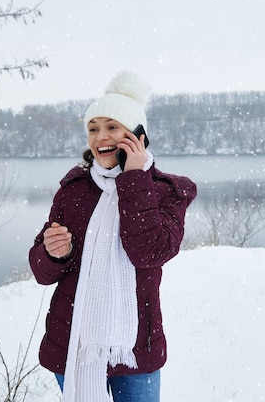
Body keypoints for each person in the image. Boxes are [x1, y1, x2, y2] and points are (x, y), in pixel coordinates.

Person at [28, 70, 197, 402]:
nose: (100, 137)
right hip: (74, 344)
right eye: (93, 128)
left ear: (137, 135)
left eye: (112, 127)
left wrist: (134, 177)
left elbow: (148, 252)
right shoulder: (74, 189)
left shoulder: (167, 191)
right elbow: (41, 271)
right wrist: (52, 253)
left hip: (135, 347)